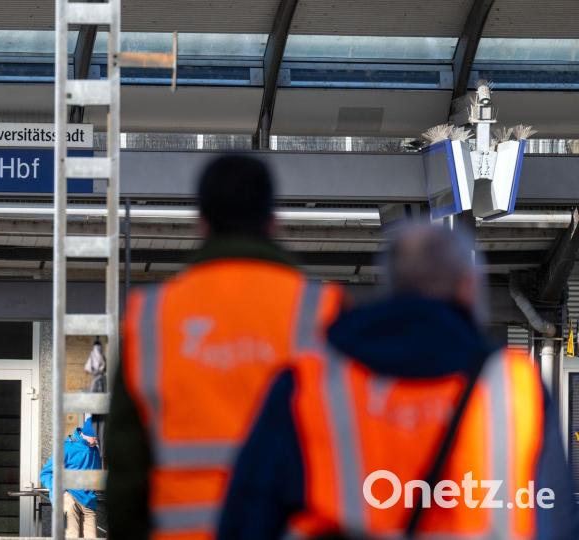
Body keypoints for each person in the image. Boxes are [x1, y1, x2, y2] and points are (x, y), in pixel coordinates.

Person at [219, 224, 578, 539]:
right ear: (469, 287)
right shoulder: (514, 387)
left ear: (389, 286)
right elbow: (554, 522)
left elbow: (247, 520)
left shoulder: (310, 383)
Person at [106, 154, 344, 539]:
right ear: (273, 221)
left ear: (202, 222)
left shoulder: (152, 316)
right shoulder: (320, 310)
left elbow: (126, 467)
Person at [40, 417, 102, 538]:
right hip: (69, 496)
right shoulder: (67, 448)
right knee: (72, 534)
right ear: (87, 433)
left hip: (88, 499)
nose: (97, 441)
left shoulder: (95, 451)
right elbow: (46, 473)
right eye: (95, 437)